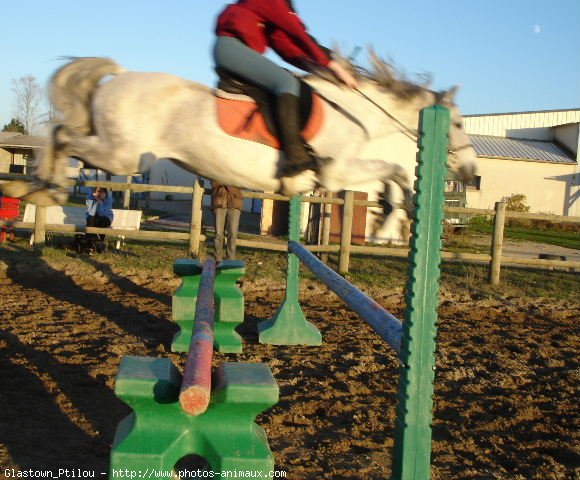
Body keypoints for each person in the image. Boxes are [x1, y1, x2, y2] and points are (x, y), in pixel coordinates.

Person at [214, 0, 358, 178]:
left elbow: (285, 45)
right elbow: (298, 34)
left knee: (291, 82)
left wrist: (321, 68)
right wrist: (333, 65)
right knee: (286, 83)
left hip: (238, 49)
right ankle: (295, 156)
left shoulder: (277, 7)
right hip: (232, 49)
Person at [211, 181, 244, 262]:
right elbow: (213, 182)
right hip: (219, 201)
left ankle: (230, 259)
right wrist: (230, 183)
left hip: (235, 202)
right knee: (218, 233)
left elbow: (242, 183)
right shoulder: (217, 169)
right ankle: (217, 258)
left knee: (233, 233)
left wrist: (226, 182)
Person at [85, 187, 114, 253]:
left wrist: (100, 202)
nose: (100, 193)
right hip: (93, 219)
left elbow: (102, 214)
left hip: (106, 219)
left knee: (98, 220)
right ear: (94, 192)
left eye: (102, 191)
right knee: (90, 218)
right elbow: (91, 213)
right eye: (98, 191)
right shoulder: (90, 197)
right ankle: (95, 243)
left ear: (106, 192)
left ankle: (94, 243)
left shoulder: (108, 199)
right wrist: (94, 200)